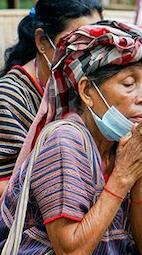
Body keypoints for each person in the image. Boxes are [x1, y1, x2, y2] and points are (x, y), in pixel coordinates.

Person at [0, 21, 142, 255]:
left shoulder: (133, 144)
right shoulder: (65, 140)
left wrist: (137, 178)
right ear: (88, 92)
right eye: (129, 84)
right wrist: (123, 175)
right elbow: (71, 254)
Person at [0, 0, 103, 196]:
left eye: (96, 43)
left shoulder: (86, 90)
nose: (87, 54)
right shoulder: (9, 99)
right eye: (75, 43)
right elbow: (5, 186)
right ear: (42, 42)